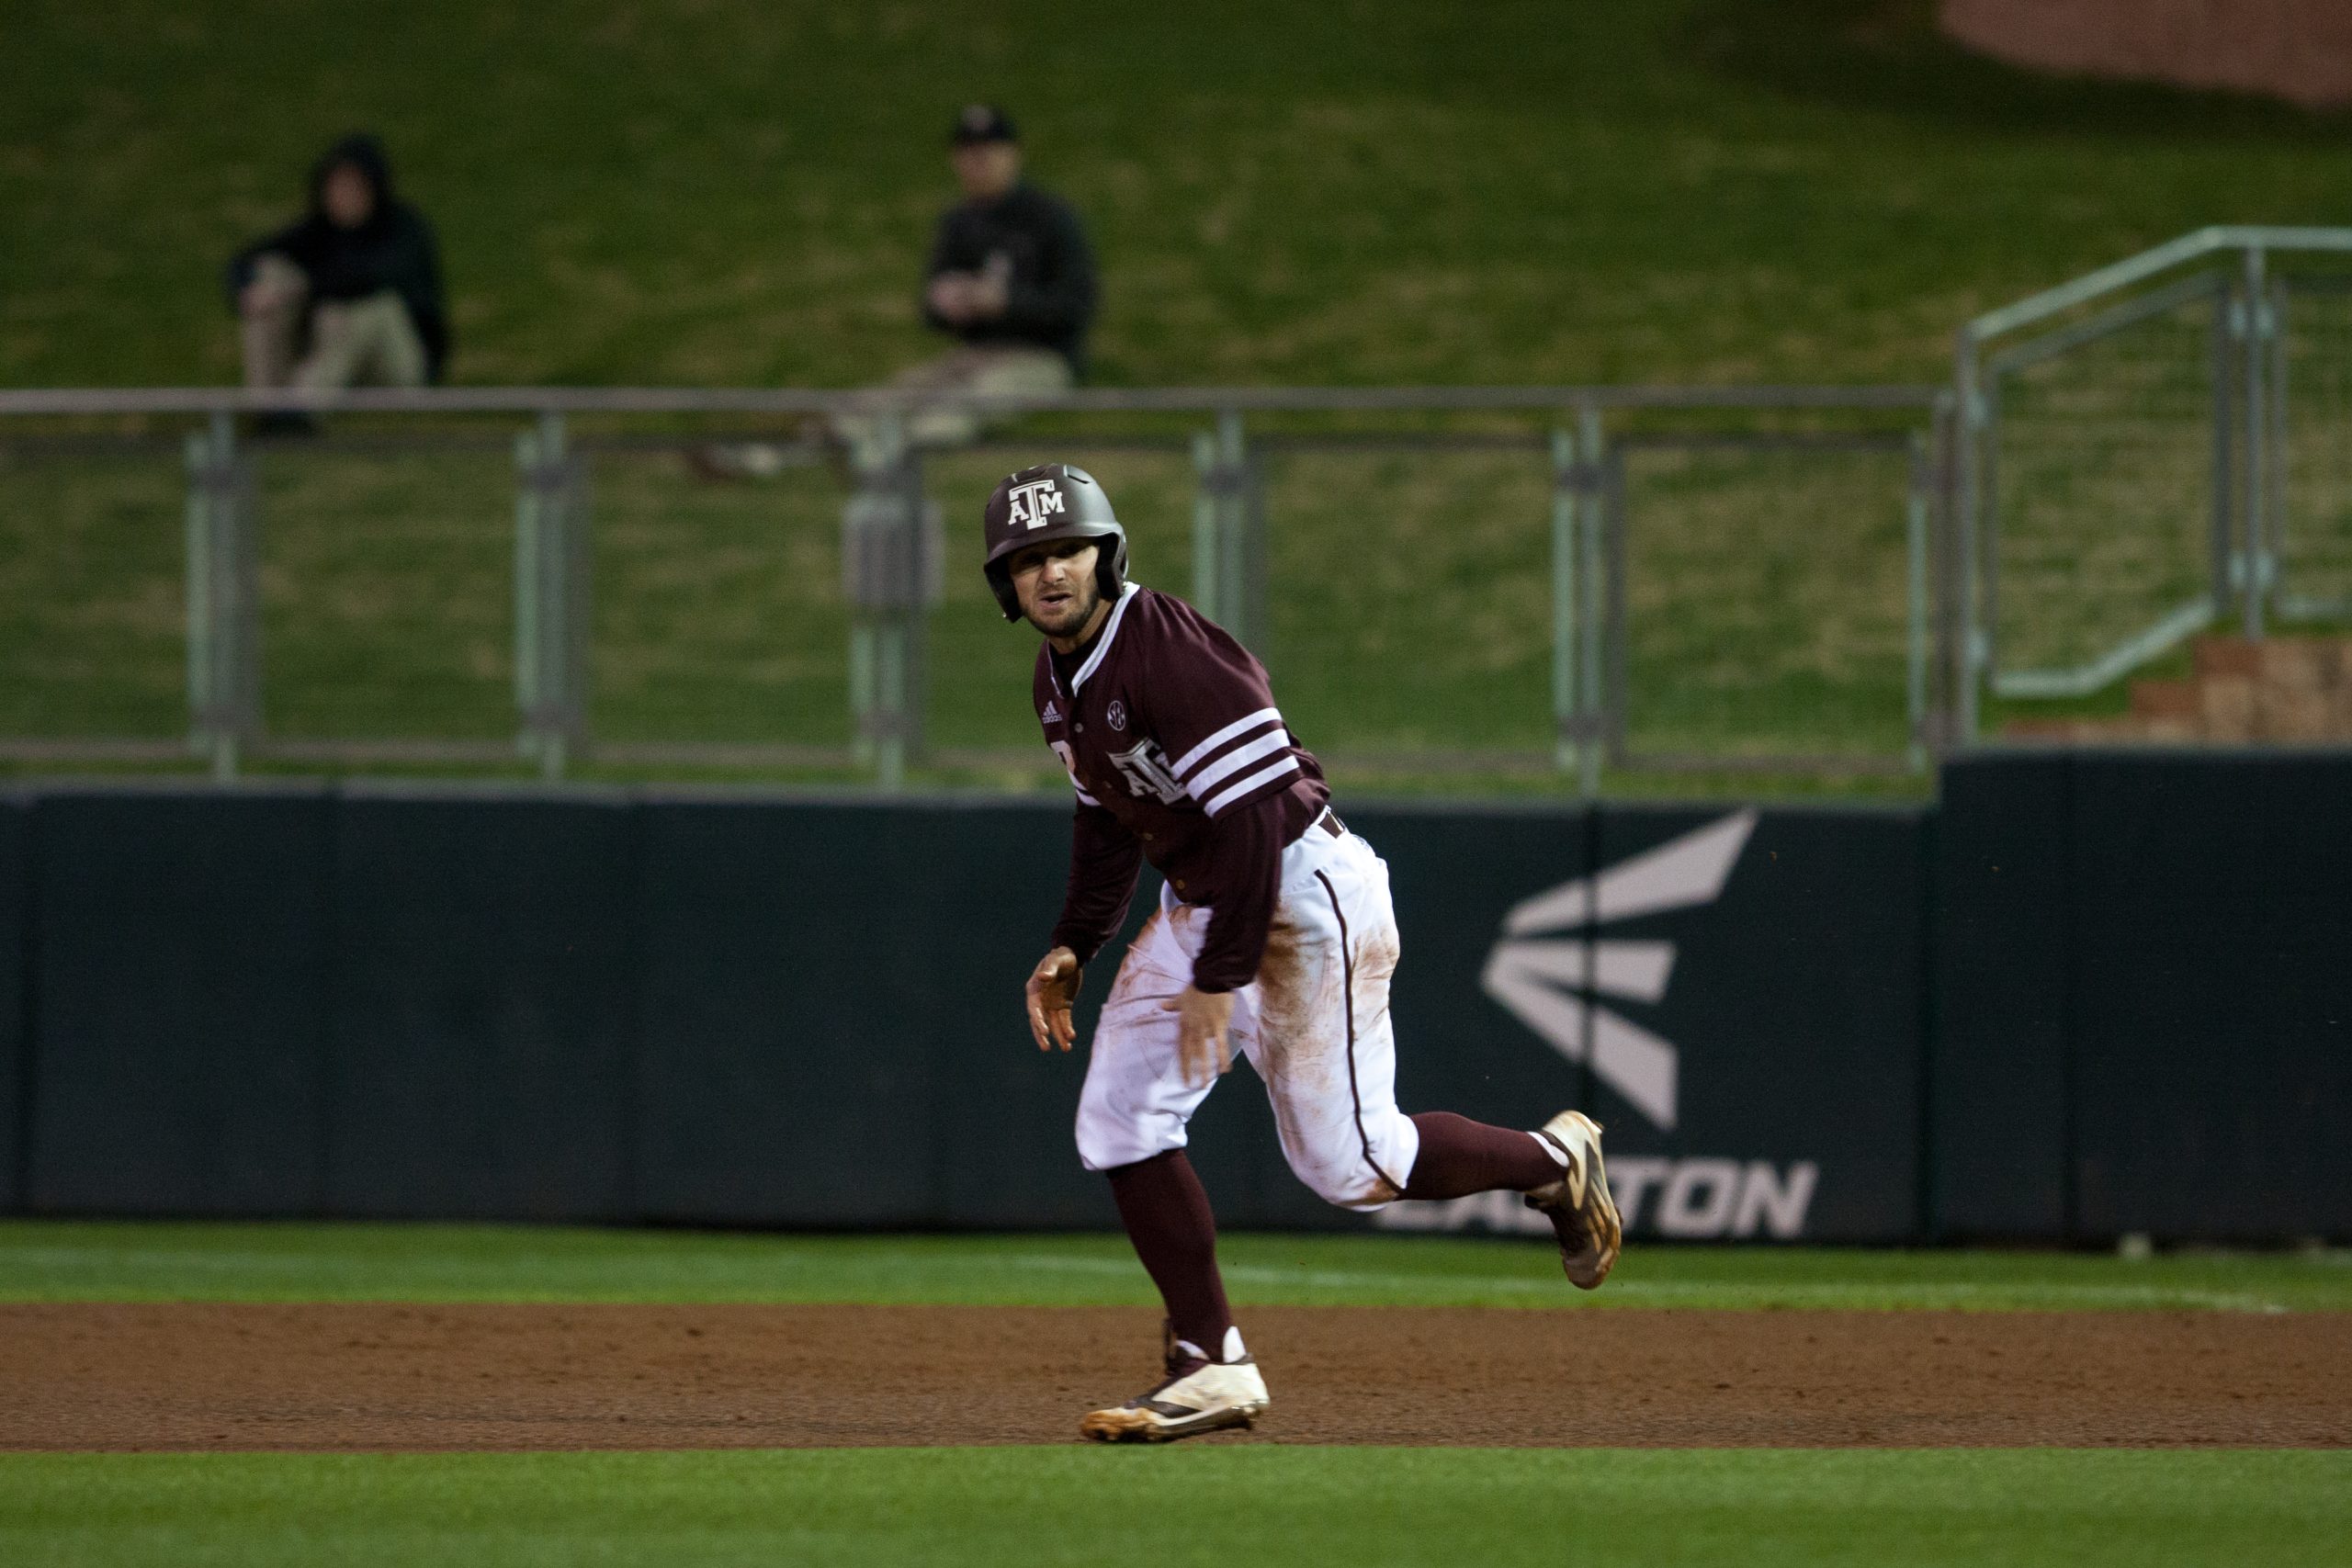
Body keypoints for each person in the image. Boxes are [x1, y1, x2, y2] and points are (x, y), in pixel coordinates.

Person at [986, 463, 1623, 1445]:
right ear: (1007, 586)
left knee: (1353, 1165)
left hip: (1298, 891)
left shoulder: (1169, 651)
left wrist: (1219, 973)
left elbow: (1247, 821)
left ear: (1104, 556)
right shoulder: (1058, 678)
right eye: (1026, 561)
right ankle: (1210, 1363)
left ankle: (1553, 1158)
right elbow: (1106, 819)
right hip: (1211, 902)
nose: (1049, 573)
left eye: (1064, 549)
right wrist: (1074, 941)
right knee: (1118, 1117)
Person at [695, 104, 1094, 478]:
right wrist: (948, 303)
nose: (978, 161)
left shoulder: (1049, 217)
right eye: (969, 152)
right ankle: (763, 458)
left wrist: (1007, 303)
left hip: (1041, 358)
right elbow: (930, 306)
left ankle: (881, 466)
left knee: (952, 413)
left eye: (989, 150)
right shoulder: (960, 222)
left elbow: (1077, 304)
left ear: (1013, 154)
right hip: (974, 353)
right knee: (875, 404)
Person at [226, 134, 448, 406]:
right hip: (331, 354)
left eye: (354, 188)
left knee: (369, 309)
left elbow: (369, 276)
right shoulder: (318, 231)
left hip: (398, 359)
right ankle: (264, 403)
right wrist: (250, 291)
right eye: (337, 188)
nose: (344, 197)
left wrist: (297, 291)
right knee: (271, 274)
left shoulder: (402, 228)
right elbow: (245, 260)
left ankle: (300, 408)